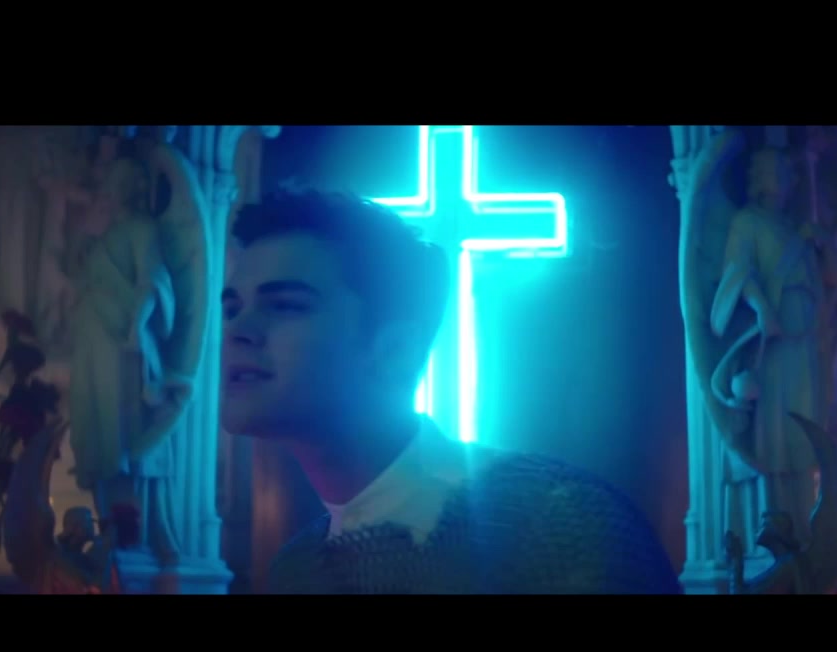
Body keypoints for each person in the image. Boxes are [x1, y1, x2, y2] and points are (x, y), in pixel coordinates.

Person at [219, 187, 680, 594]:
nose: (237, 330)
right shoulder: (298, 569)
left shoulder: (557, 526)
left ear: (395, 350)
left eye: (285, 305)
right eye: (231, 309)